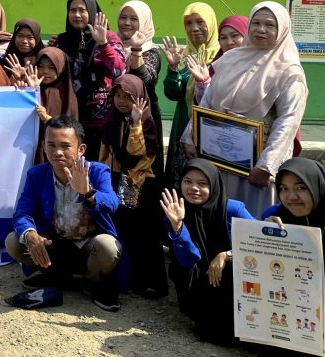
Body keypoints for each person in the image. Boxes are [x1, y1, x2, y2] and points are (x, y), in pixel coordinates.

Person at [182, 2, 306, 213]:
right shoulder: (230, 59)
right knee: (219, 216)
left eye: (270, 25)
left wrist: (267, 165)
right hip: (219, 157)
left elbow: (288, 121)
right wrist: (190, 136)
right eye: (256, 23)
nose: (261, 29)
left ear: (282, 29)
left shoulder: (289, 72)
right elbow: (207, 101)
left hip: (255, 168)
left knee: (251, 222)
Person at [5, 115, 121, 312]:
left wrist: (89, 193)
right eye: (51, 145)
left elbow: (112, 204)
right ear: (43, 146)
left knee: (108, 246)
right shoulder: (37, 174)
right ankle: (54, 274)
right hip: (55, 244)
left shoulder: (97, 172)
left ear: (81, 149)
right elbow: (22, 213)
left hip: (88, 245)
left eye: (65, 146)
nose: (57, 152)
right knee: (14, 241)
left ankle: (91, 282)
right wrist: (31, 234)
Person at [160, 159, 253, 345]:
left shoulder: (233, 209)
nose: (193, 188)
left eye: (202, 183)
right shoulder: (176, 210)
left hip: (234, 274)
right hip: (198, 277)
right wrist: (177, 226)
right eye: (187, 181)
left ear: (214, 185)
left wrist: (226, 255)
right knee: (181, 269)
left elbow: (259, 245)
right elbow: (187, 260)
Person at [98, 74, 167, 298]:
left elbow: (135, 154)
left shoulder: (147, 122)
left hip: (139, 185)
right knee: (122, 230)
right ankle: (123, 280)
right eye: (117, 95)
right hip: (117, 181)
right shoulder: (112, 120)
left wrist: (136, 123)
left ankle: (148, 283)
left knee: (143, 234)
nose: (121, 101)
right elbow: (104, 154)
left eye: (127, 97)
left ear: (139, 97)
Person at [50, 0, 126, 161]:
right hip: (69, 120)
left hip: (102, 122)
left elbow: (119, 71)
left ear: (92, 12)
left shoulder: (109, 38)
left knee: (95, 172)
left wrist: (103, 44)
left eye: (82, 10)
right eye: (72, 10)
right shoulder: (60, 42)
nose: (77, 15)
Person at [161, 2, 219, 186]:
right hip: (184, 123)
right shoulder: (185, 55)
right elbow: (174, 94)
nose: (194, 28)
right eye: (189, 23)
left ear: (210, 23)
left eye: (200, 22)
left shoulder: (222, 54)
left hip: (212, 126)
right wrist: (172, 68)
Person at [116, 0, 163, 148]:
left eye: (134, 19)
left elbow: (145, 81)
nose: (127, 23)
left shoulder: (150, 51)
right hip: (117, 114)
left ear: (144, 22)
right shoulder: (114, 45)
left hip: (143, 117)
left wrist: (136, 49)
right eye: (123, 17)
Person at [27, 47, 79, 164]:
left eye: (51, 68)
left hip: (57, 154)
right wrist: (32, 90)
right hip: (30, 150)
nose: (45, 71)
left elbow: (71, 127)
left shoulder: (66, 94)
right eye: (41, 66)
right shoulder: (31, 88)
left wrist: (48, 119)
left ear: (61, 68)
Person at [262, 158, 325, 232]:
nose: (292, 197)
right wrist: (267, 235)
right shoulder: (274, 215)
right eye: (284, 188)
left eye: (301, 188)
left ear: (318, 188)